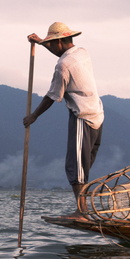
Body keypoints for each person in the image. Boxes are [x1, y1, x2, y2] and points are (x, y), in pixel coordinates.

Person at [23, 22, 104, 213]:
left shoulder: (63, 66)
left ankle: (82, 211)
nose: (50, 48)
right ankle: (83, 207)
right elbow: (60, 49)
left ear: (59, 42)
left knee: (75, 167)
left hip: (82, 116)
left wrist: (33, 116)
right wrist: (42, 42)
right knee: (83, 165)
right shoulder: (82, 52)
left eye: (52, 44)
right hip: (98, 115)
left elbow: (52, 96)